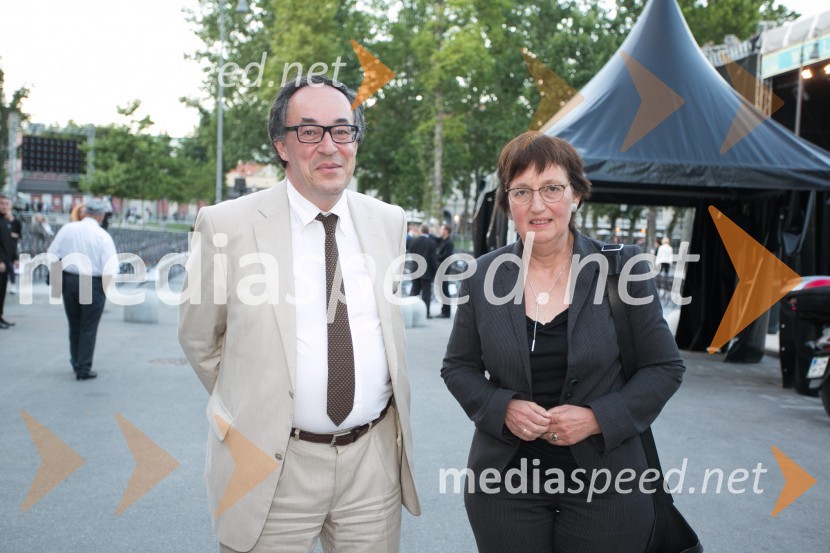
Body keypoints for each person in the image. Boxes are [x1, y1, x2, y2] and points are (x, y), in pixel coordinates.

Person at [178, 74, 420, 553]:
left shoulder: (388, 221)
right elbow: (200, 339)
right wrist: (257, 402)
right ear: (281, 145)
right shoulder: (226, 225)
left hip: (372, 467)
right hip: (270, 466)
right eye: (309, 132)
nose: (329, 146)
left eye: (342, 130)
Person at [441, 131, 685, 553]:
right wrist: (503, 408)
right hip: (504, 484)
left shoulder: (622, 268)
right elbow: (458, 367)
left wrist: (597, 418)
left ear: (576, 195)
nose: (537, 206)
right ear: (508, 203)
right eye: (522, 191)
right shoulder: (482, 276)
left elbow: (664, 367)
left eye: (552, 188)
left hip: (608, 481)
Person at [47, 199, 117, 380]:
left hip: (69, 279)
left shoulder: (67, 229)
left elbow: (52, 255)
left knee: (74, 324)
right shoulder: (102, 236)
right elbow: (110, 267)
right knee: (89, 327)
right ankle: (84, 367)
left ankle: (76, 361)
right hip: (92, 282)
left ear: (85, 212)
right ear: (101, 216)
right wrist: (105, 290)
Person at [408, 223, 438, 318]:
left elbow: (411, 253)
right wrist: (434, 271)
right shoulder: (432, 243)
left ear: (420, 231)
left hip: (415, 269)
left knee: (414, 292)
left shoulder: (413, 241)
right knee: (426, 294)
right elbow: (433, 259)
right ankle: (426, 313)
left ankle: (411, 312)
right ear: (428, 232)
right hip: (427, 271)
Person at [0, 195, 18, 328]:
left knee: (2, 291)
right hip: (1, 262)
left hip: (6, 262)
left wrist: (14, 257)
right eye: (2, 203)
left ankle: (0, 316)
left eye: (7, 204)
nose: (4, 206)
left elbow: (11, 242)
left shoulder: (6, 221)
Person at [436, 223, 455, 318]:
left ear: (446, 231)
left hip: (445, 269)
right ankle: (444, 310)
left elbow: (445, 256)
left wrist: (435, 256)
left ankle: (446, 312)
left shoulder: (449, 242)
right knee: (442, 289)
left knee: (444, 289)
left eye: (442, 229)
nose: (440, 231)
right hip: (441, 268)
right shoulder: (442, 240)